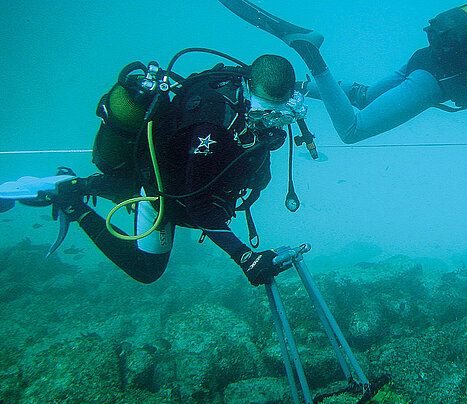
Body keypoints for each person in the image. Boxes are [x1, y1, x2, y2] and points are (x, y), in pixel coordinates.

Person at [6, 52, 306, 287]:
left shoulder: (246, 95)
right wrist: (245, 258)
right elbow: (197, 204)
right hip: (162, 190)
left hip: (179, 173)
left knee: (122, 186)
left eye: (282, 111)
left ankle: (78, 186)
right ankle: (73, 202)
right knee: (147, 270)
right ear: (250, 88)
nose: (274, 120)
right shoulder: (211, 127)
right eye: (266, 109)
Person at [218, 0, 467, 156]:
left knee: (361, 97)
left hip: (424, 60)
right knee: (353, 130)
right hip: (436, 81)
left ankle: (298, 88)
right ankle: (310, 53)